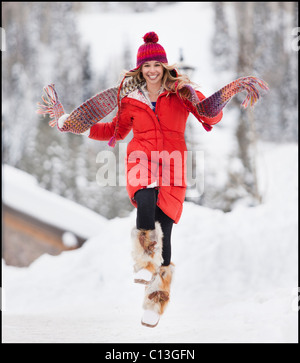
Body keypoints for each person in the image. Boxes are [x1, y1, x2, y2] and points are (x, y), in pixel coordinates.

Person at [43, 32, 268, 328]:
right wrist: (77, 126)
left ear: (164, 67)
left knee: (166, 232)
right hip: (142, 159)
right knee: (145, 198)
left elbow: (208, 116)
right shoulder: (131, 99)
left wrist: (226, 94)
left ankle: (154, 301)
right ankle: (144, 263)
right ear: (139, 69)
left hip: (174, 165)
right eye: (146, 66)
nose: (151, 71)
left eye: (156, 66)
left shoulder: (180, 94)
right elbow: (115, 131)